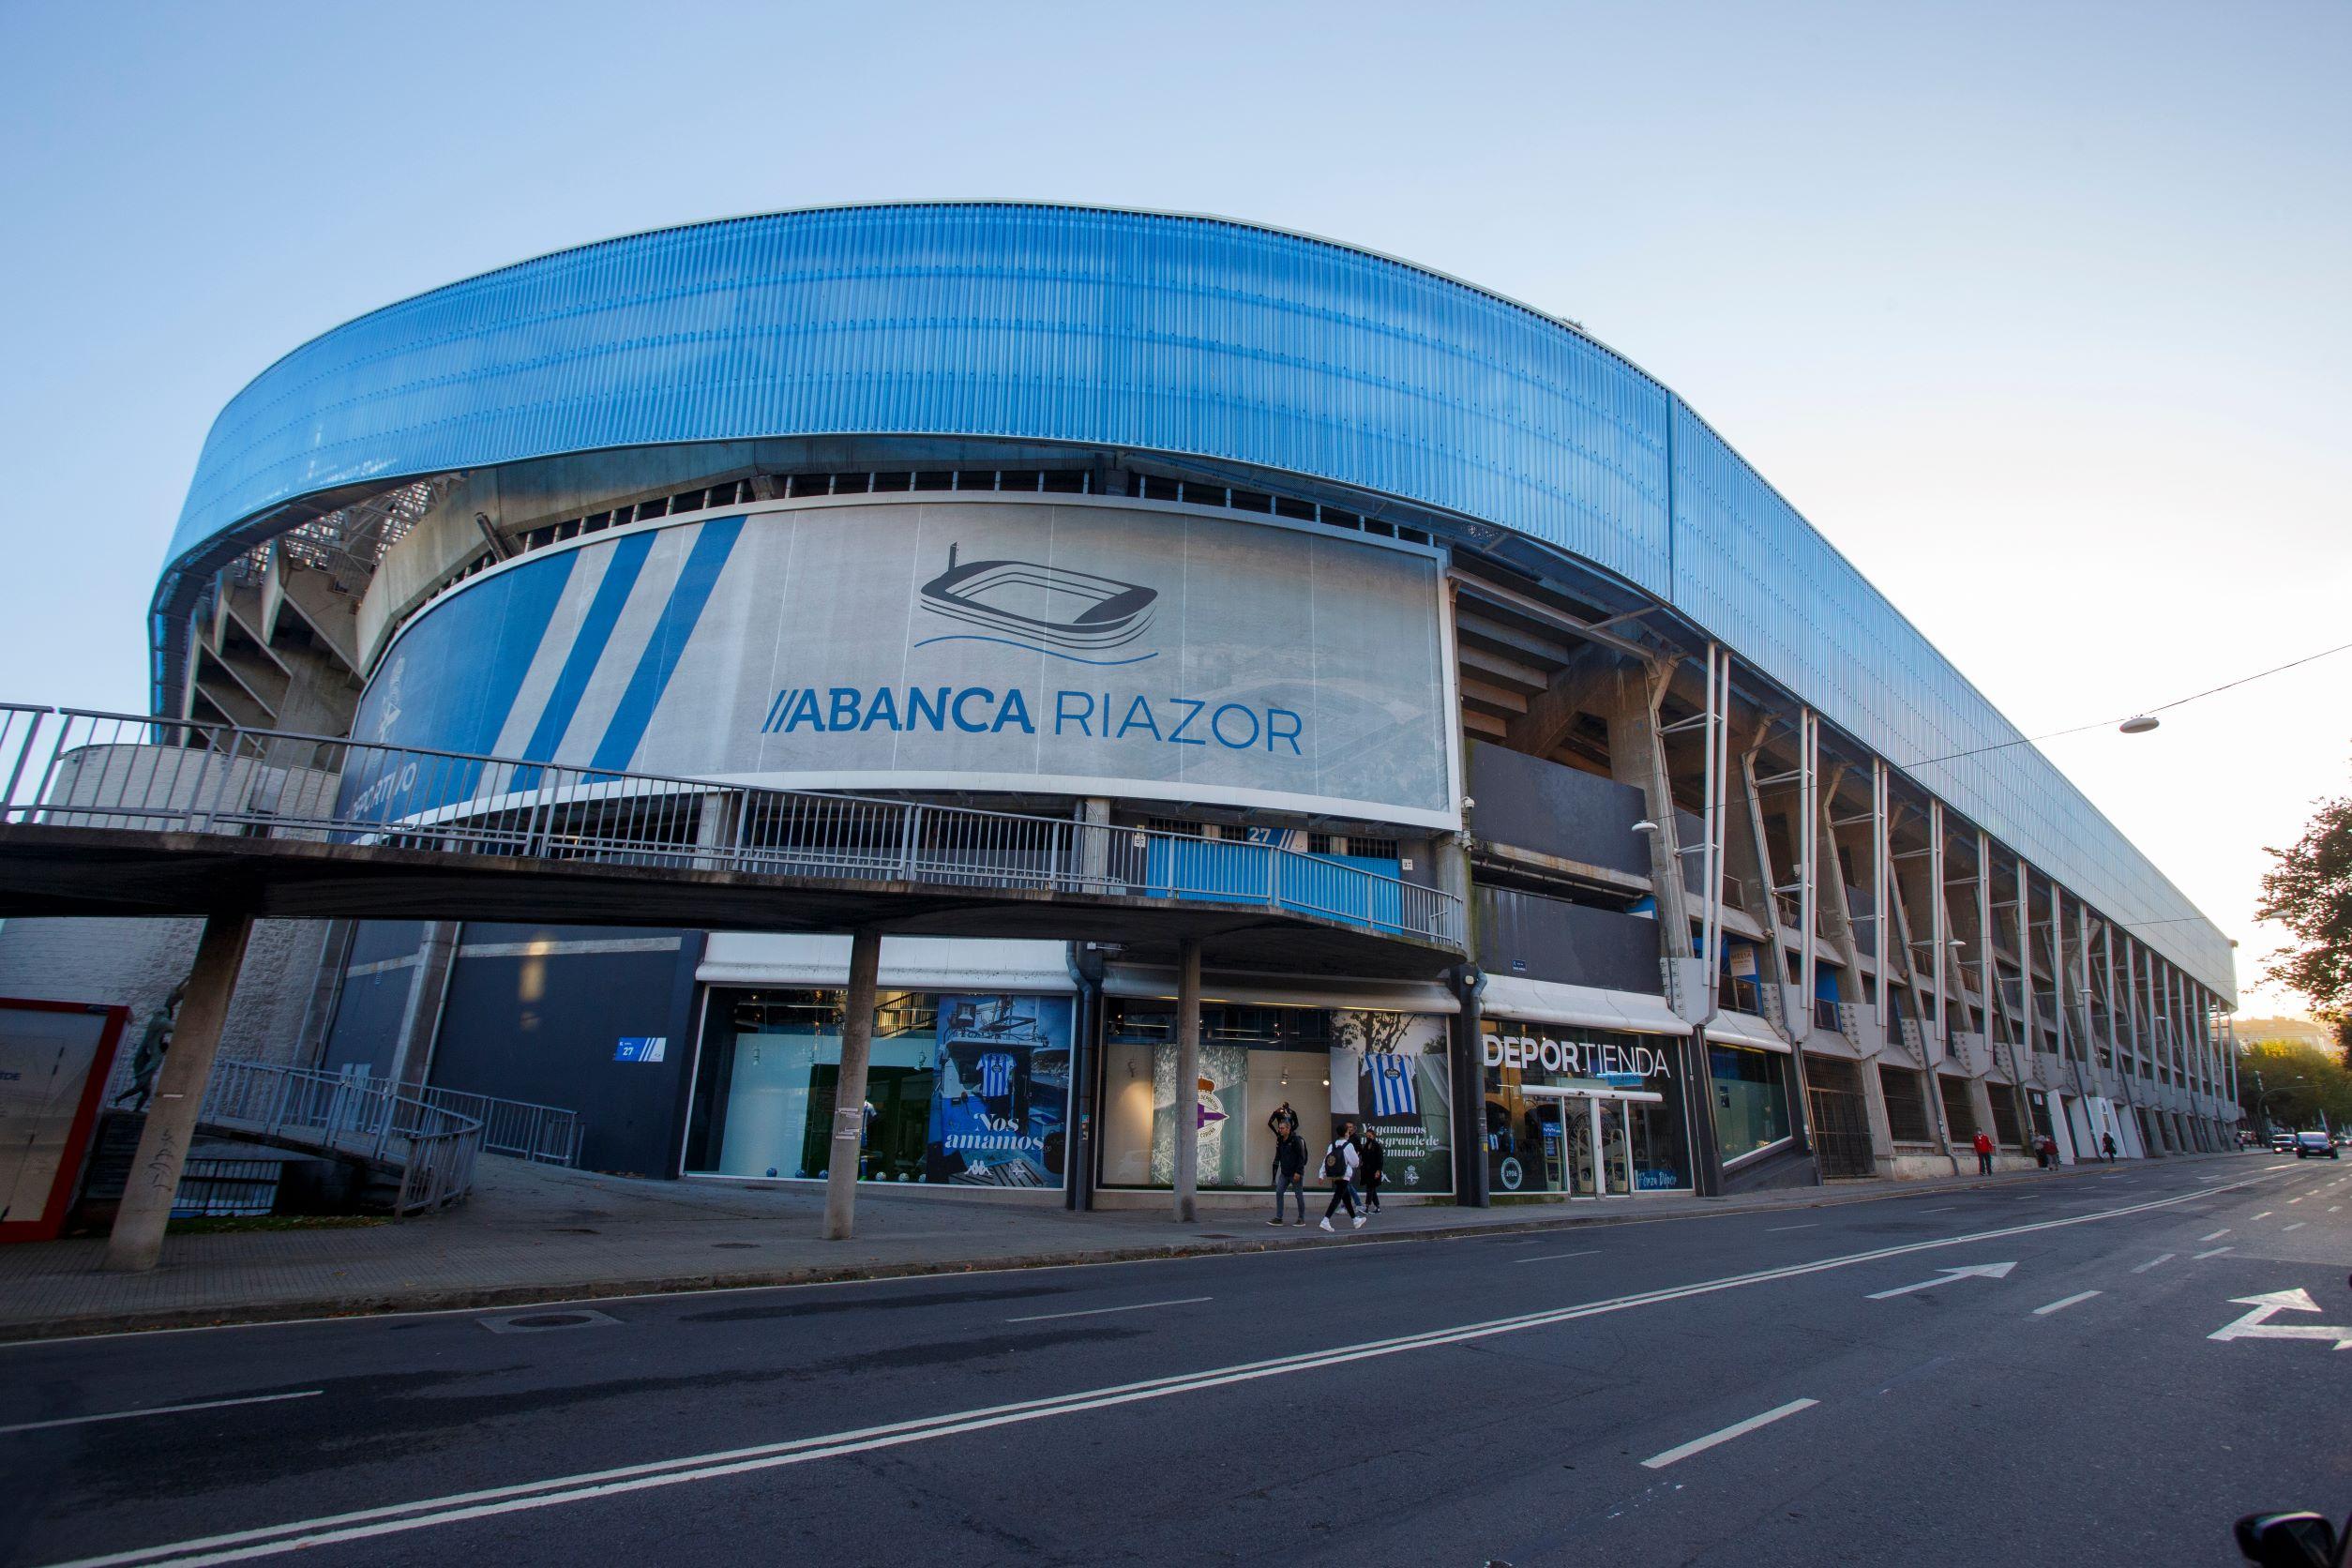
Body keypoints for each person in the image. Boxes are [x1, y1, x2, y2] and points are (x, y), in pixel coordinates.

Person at [1319, 1122, 1363, 1231]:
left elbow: (1326, 1160)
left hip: (1334, 1175)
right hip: (1344, 1175)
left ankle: (1355, 1220)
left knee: (1346, 1198)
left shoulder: (1332, 1145)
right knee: (1337, 1198)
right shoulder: (1348, 1145)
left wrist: (1321, 1174)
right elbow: (1355, 1163)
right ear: (1346, 1133)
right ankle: (1325, 1220)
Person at [1269, 1122, 1307, 1227]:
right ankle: (1279, 1217)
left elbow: (1301, 1157)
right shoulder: (1280, 1140)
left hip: (1295, 1173)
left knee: (1298, 1195)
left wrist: (1298, 1172)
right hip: (1285, 1173)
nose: (1280, 1130)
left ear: (1288, 1129)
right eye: (1279, 1128)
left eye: (1282, 1128)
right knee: (1279, 1192)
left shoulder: (1295, 1140)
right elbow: (1278, 1155)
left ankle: (1301, 1218)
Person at [1359, 1127, 1386, 1216]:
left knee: (1370, 1189)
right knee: (1372, 1189)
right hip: (1367, 1171)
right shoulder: (1366, 1146)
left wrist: (1378, 1171)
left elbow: (1380, 1160)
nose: (1368, 1138)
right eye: (1367, 1136)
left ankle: (1366, 1207)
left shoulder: (1377, 1146)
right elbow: (1363, 1155)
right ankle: (1377, 1208)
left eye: (1369, 1136)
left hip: (1374, 1171)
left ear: (1373, 1136)